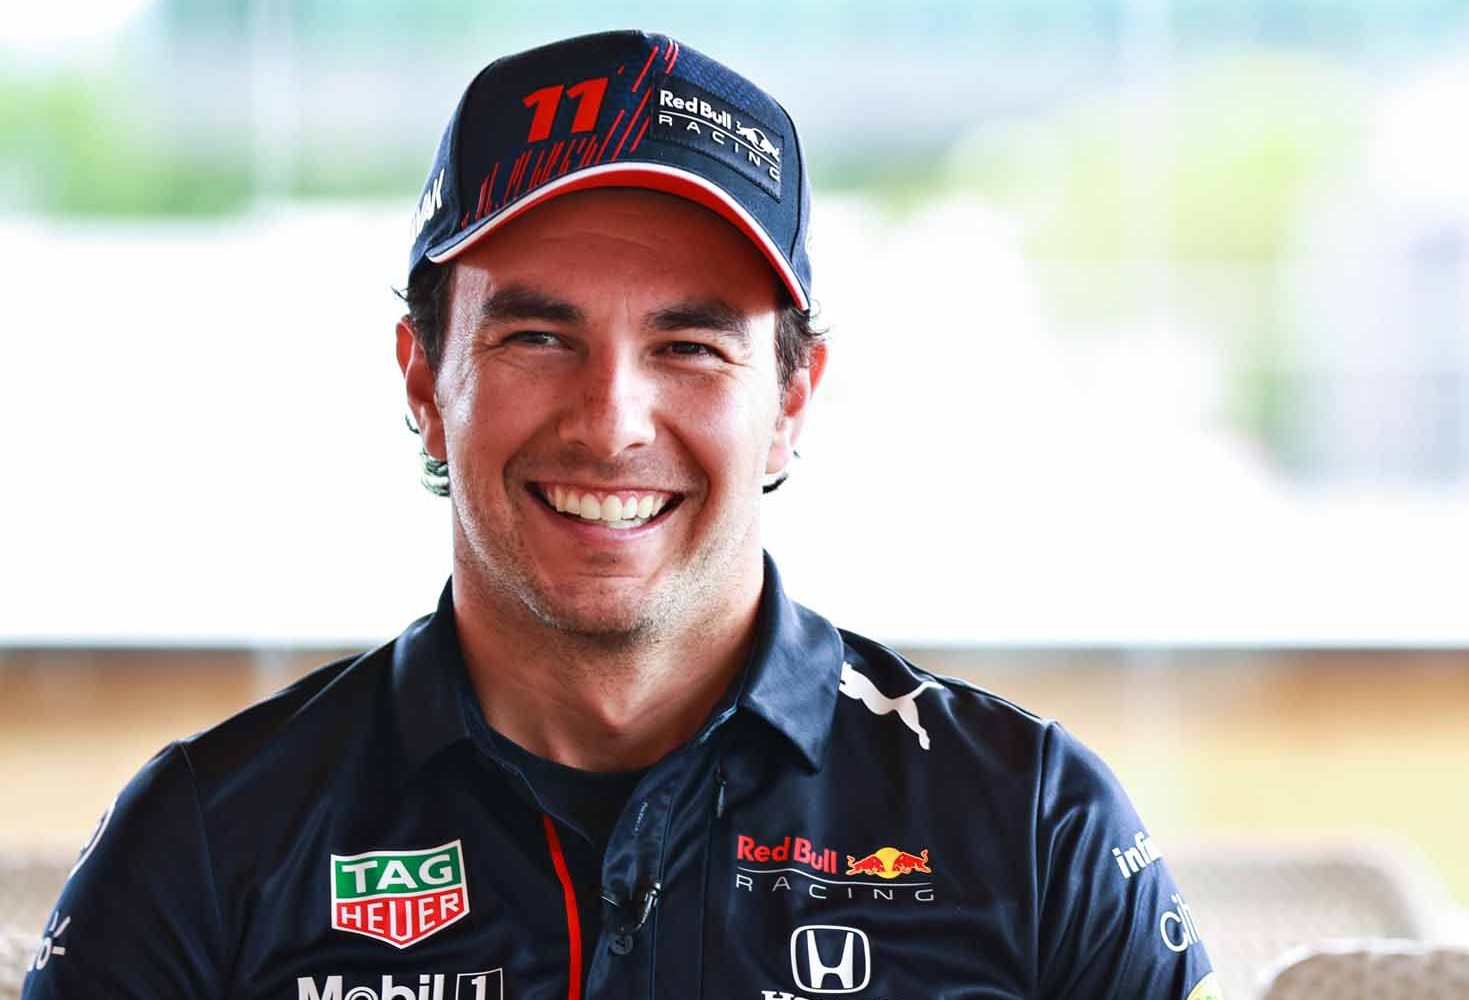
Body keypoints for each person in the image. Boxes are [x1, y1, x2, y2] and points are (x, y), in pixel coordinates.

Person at [23, 30, 1221, 1000]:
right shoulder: (211, 839)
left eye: (691, 345)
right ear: (421, 377)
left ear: (793, 400)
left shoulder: (1030, 821)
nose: (611, 419)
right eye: (538, 336)